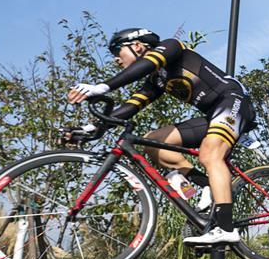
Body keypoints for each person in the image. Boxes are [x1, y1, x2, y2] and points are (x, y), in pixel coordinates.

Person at [66, 27, 257, 244]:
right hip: (212, 114)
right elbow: (130, 106)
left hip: (233, 102)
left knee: (210, 154)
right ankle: (205, 184)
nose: (117, 60)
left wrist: (102, 87)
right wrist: (92, 129)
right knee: (154, 142)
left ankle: (226, 228)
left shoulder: (171, 47)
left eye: (118, 52)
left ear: (137, 46)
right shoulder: (156, 80)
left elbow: (147, 64)